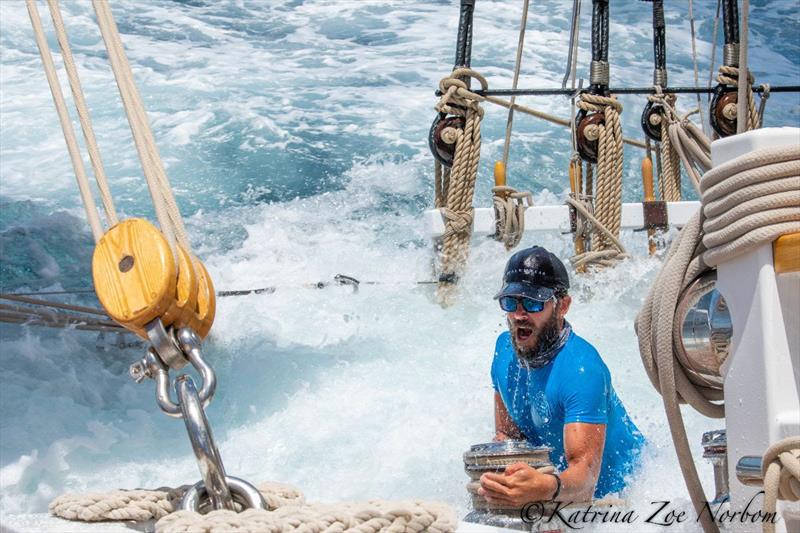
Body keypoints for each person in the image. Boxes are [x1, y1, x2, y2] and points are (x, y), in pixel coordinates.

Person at [478, 246, 645, 507]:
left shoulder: (582, 371)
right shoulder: (503, 352)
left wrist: (544, 487)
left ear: (563, 306)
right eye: (511, 302)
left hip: (622, 498)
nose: (520, 315)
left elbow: (587, 478)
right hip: (558, 492)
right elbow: (508, 436)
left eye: (533, 303)